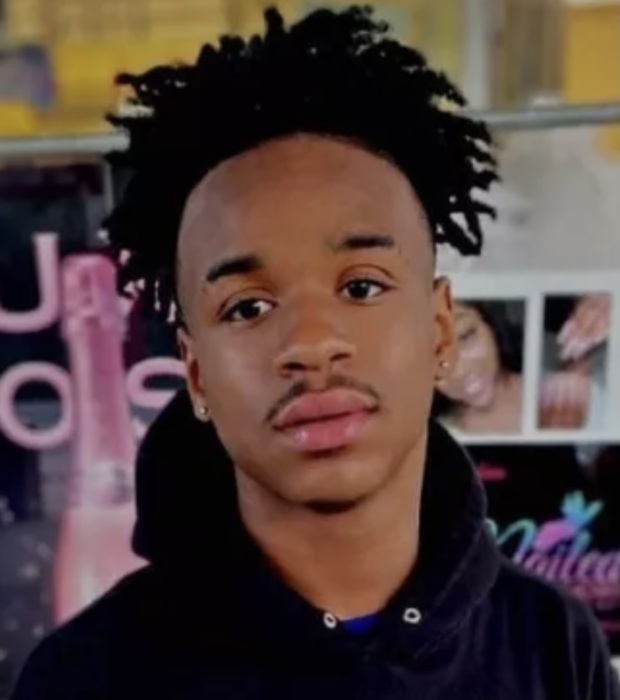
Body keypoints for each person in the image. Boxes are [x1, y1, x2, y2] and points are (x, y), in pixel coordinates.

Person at [11, 6, 620, 700]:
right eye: (247, 307)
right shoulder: (85, 679)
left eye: (362, 286)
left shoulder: (553, 646)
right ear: (196, 372)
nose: (309, 343)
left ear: (440, 331)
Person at [436, 300, 596, 434]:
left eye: (465, 336)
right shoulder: (435, 440)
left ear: (491, 325)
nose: (459, 371)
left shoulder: (575, 396)